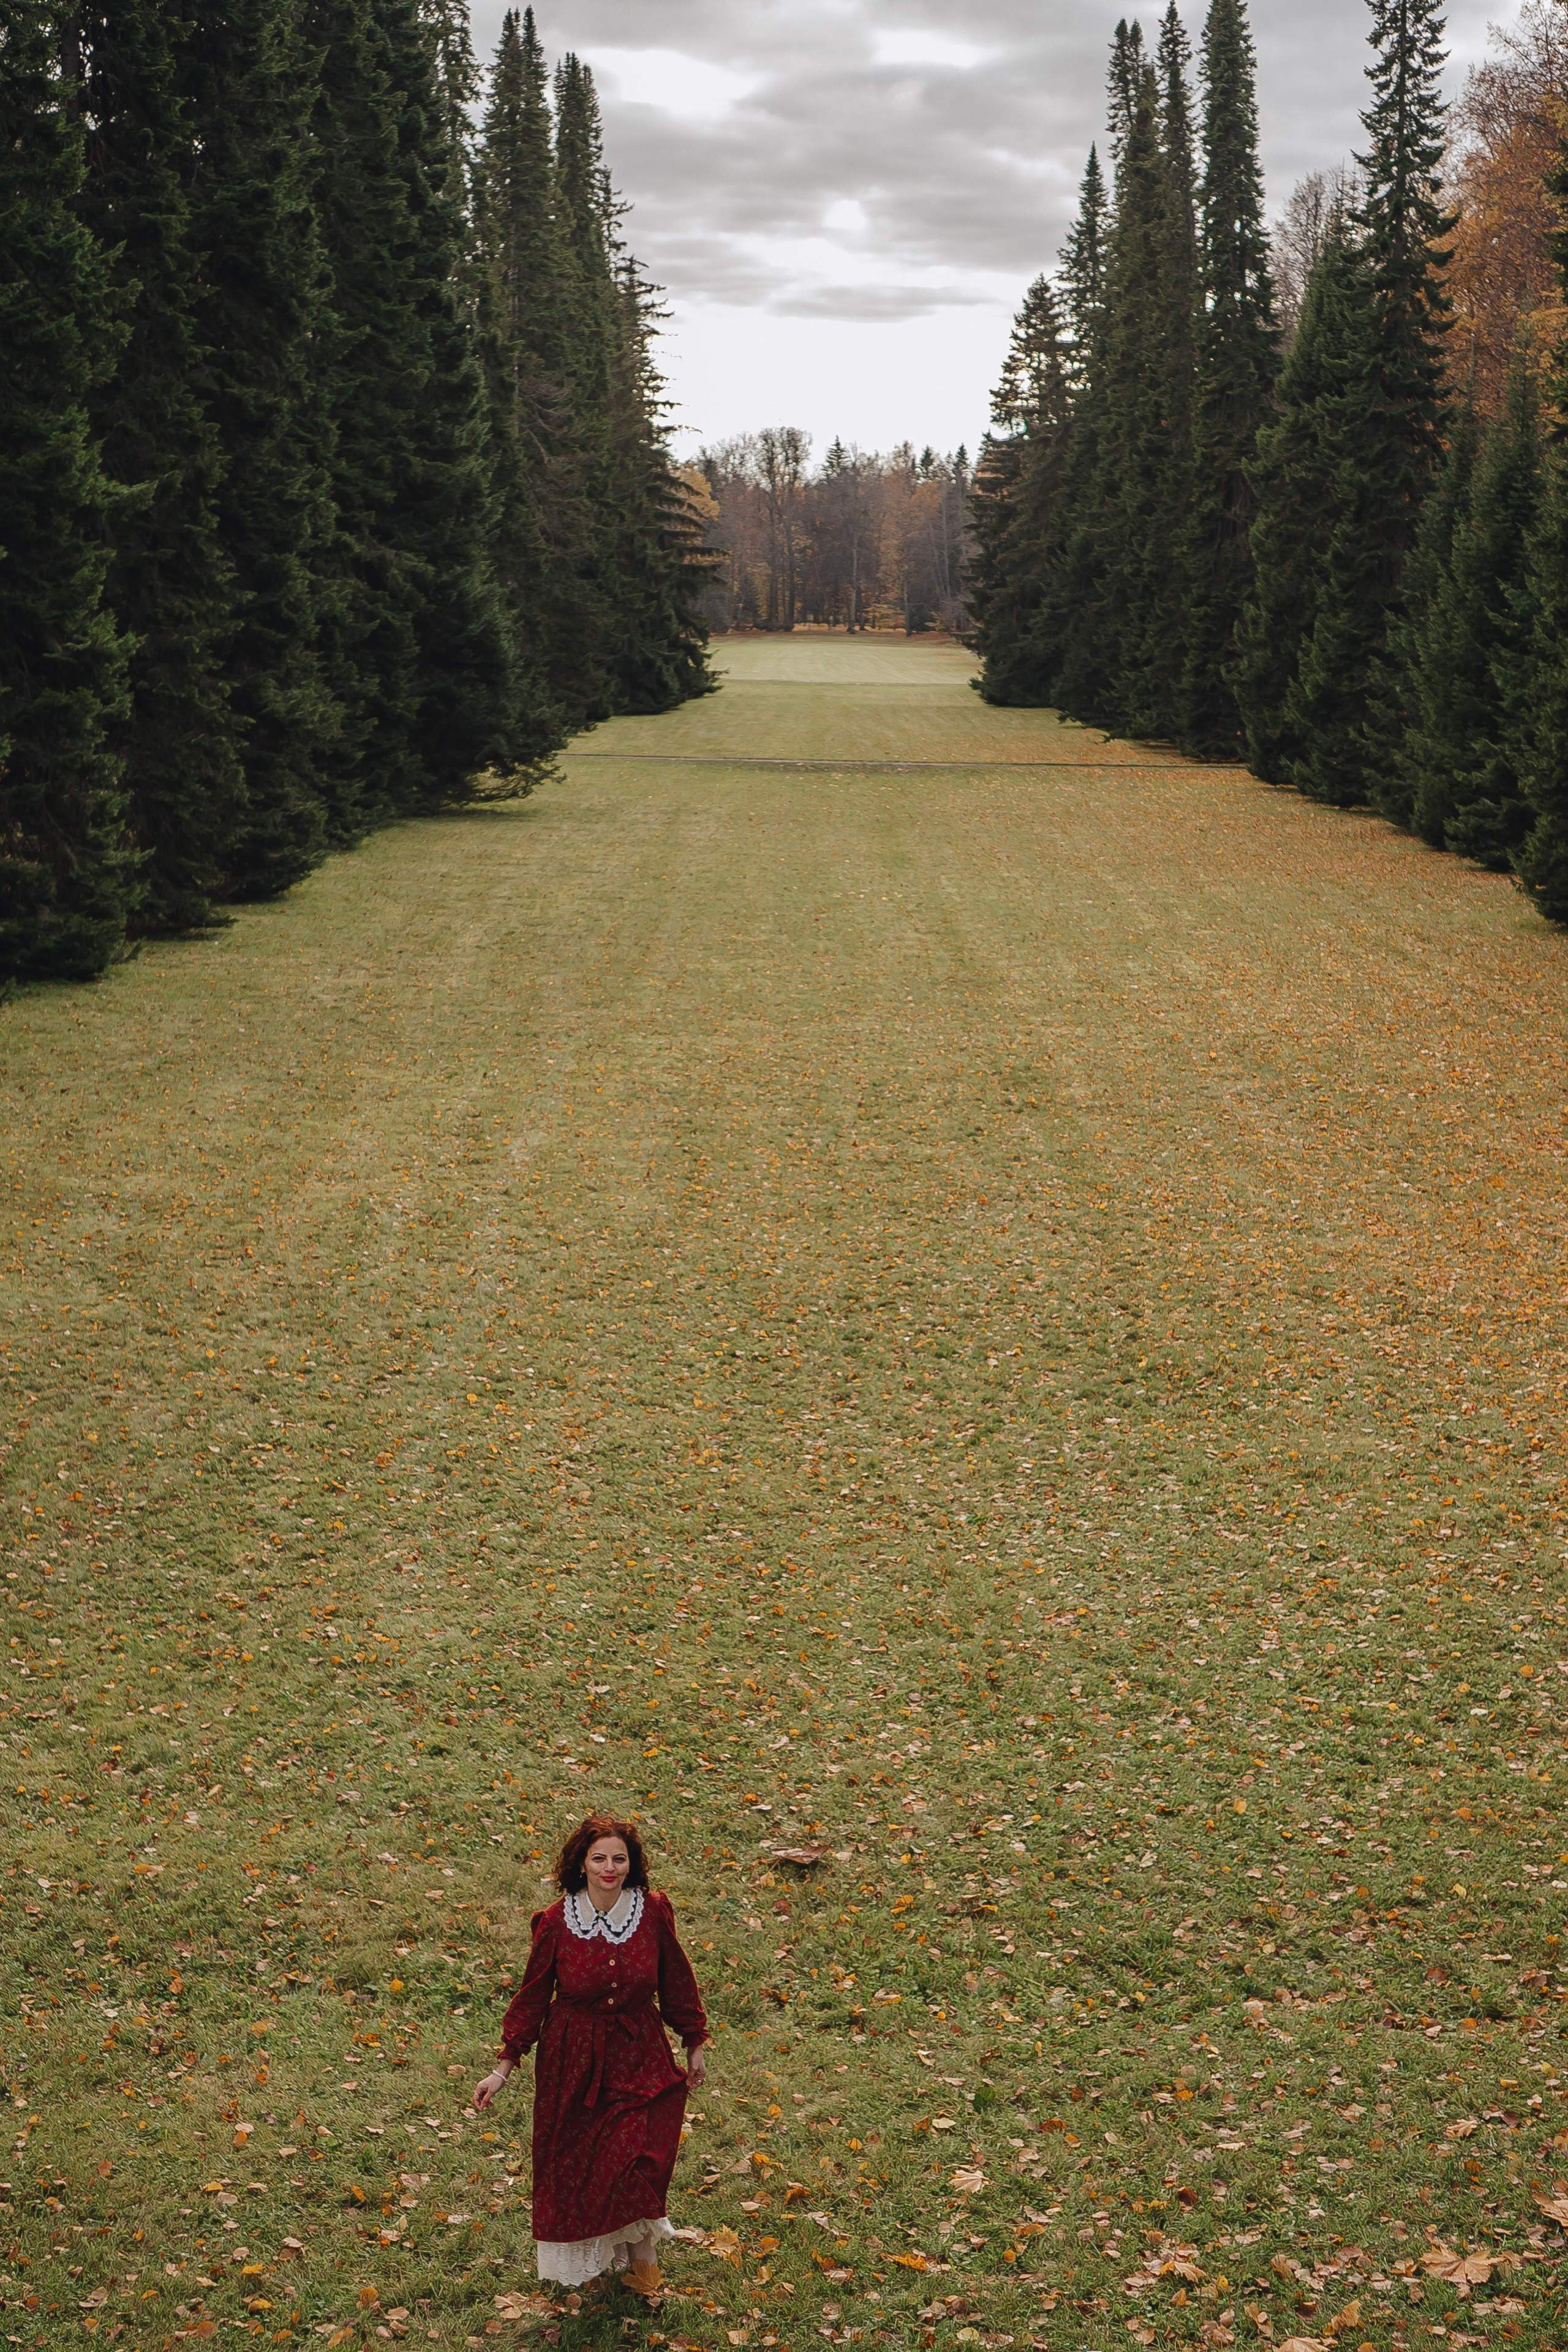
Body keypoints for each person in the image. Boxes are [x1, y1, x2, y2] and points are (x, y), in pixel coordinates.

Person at [472, 1815, 709, 2299]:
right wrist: (503, 2068)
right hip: (572, 2061)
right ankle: (607, 2270)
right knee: (586, 2168)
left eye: (619, 1858)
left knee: (636, 2164)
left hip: (639, 2052)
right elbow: (533, 1997)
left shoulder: (653, 1912)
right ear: (581, 1864)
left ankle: (646, 2279)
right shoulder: (558, 1922)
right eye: (599, 1858)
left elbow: (678, 1981)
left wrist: (694, 2042)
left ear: (631, 1864)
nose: (609, 1867)